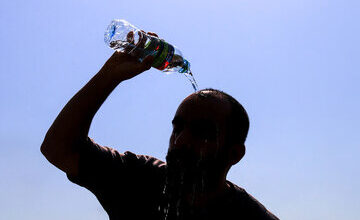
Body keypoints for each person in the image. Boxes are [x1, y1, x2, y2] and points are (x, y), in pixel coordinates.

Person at [41, 32, 279, 220]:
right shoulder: (139, 180)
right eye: (178, 128)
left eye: (203, 132)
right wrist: (110, 74)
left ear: (234, 153)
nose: (181, 140)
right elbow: (58, 149)